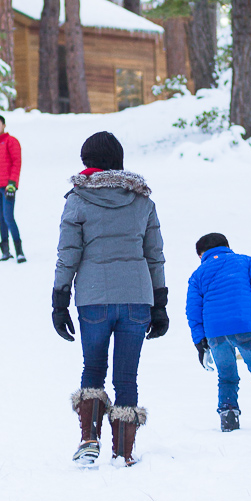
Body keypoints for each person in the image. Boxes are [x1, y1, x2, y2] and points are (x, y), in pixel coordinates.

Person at [51, 130, 168, 466]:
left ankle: (89, 440)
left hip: (94, 298)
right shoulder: (143, 201)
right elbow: (154, 255)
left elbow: (68, 253)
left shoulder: (78, 199)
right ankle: (124, 452)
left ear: (88, 162)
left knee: (94, 367)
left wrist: (60, 299)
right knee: (126, 376)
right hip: (137, 299)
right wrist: (159, 304)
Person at [185, 231, 251, 434]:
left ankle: (229, 421)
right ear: (226, 246)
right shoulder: (246, 262)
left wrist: (201, 345)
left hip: (216, 334)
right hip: (246, 327)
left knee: (226, 377)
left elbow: (193, 312)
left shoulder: (198, 275)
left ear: (201, 254)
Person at [0, 113, 25, 262]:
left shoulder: (12, 141)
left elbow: (17, 163)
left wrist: (12, 184)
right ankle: (5, 251)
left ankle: (19, 251)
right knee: (1, 219)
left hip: (8, 186)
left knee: (9, 217)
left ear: (3, 125)